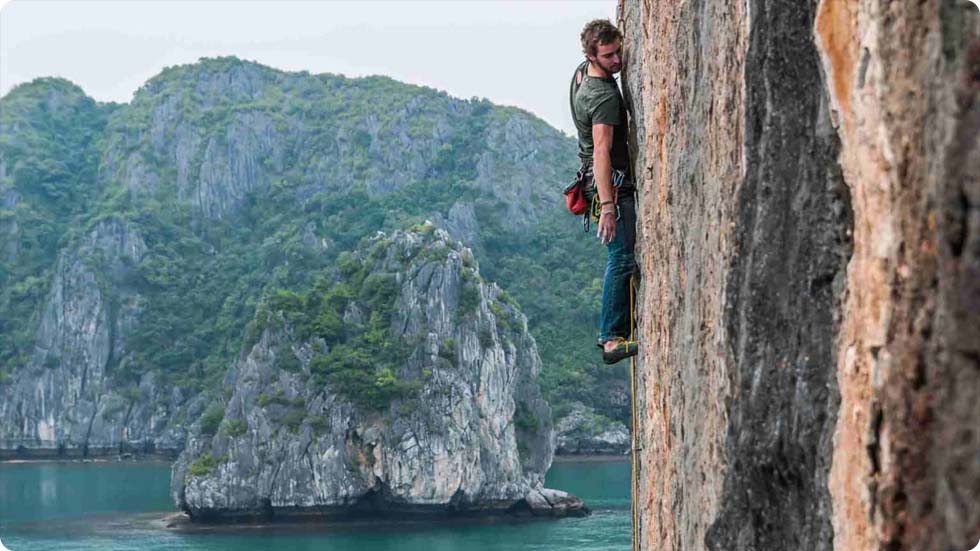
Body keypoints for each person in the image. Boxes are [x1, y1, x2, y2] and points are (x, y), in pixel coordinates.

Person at [569, 19, 639, 365]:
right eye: (609, 55)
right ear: (592, 56)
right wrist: (609, 206)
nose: (617, 60)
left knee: (621, 256)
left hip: (596, 181)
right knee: (622, 257)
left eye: (618, 51)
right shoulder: (603, 97)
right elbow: (601, 151)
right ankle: (611, 338)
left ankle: (616, 329)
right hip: (612, 184)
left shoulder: (582, 75)